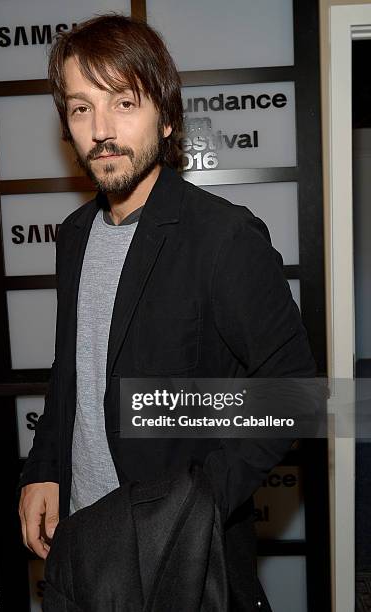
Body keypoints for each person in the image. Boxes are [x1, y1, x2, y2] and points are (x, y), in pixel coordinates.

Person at [17, 14, 317, 611]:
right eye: (81, 109)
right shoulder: (75, 235)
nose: (101, 130)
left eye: (122, 102)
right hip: (81, 542)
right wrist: (42, 467)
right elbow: (73, 369)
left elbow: (295, 394)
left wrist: (196, 506)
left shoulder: (223, 237)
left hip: (176, 559)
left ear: (167, 116)